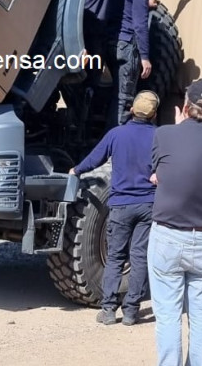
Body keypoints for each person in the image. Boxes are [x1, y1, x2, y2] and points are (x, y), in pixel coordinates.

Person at [148, 78, 202, 366]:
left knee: (169, 315)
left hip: (168, 235)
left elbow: (158, 174)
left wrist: (178, 125)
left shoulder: (165, 134)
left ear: (185, 106)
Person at [70, 90, 159, 326]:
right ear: (154, 114)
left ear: (132, 110)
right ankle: (131, 311)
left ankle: (108, 309)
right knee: (139, 257)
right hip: (148, 205)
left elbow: (95, 159)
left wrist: (76, 170)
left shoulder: (116, 134)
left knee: (116, 256)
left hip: (120, 205)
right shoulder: (159, 136)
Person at [83, 0, 183, 127]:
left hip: (109, 44)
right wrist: (145, 57)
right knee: (124, 99)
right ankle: (115, 144)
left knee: (104, 91)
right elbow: (140, 25)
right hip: (127, 45)